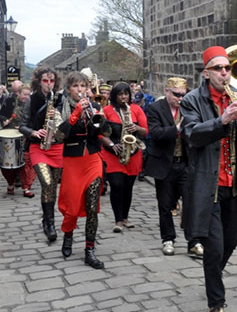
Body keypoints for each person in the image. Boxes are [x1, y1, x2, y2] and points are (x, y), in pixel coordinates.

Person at [180, 46, 237, 312]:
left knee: (230, 243)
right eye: (218, 69)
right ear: (206, 73)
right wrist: (223, 119)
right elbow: (192, 135)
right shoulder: (192, 100)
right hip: (208, 185)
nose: (225, 73)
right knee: (214, 248)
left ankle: (212, 276)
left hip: (235, 184)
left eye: (227, 68)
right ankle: (216, 303)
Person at [57, 72, 111, 269]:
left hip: (92, 160)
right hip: (72, 161)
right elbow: (58, 136)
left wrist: (100, 118)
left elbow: (105, 133)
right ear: (69, 89)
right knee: (71, 206)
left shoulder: (95, 106)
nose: (80, 90)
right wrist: (75, 115)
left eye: (82, 86)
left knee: (92, 206)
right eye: (75, 86)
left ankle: (90, 249)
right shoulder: (60, 107)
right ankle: (68, 235)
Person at [145, 77, 203, 258]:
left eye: (183, 95)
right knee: (165, 205)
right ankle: (168, 239)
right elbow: (154, 133)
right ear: (167, 91)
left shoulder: (188, 108)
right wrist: (177, 129)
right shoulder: (155, 108)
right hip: (164, 164)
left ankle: (193, 241)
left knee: (191, 203)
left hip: (184, 163)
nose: (180, 99)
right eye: (177, 95)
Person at [20, 67, 63, 243]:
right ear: (39, 81)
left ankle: (47, 220)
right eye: (45, 81)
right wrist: (33, 132)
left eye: (51, 81)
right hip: (39, 147)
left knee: (52, 187)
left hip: (57, 147)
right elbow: (22, 125)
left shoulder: (61, 99)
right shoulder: (32, 100)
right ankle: (51, 224)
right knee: (47, 182)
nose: (49, 84)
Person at [100, 82, 148, 232]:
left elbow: (145, 131)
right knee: (116, 185)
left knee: (128, 188)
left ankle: (125, 217)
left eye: (126, 94)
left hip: (132, 154)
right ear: (115, 96)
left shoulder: (136, 109)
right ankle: (118, 220)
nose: (123, 97)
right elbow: (100, 133)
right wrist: (111, 145)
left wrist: (137, 128)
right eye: (120, 94)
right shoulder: (107, 110)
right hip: (112, 153)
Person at [0, 84, 37, 198]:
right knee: (8, 164)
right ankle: (10, 183)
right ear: (18, 94)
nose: (26, 97)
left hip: (26, 137)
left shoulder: (33, 105)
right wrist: (4, 119)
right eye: (24, 94)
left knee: (27, 163)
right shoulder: (9, 102)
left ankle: (26, 187)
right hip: (10, 137)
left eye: (28, 95)